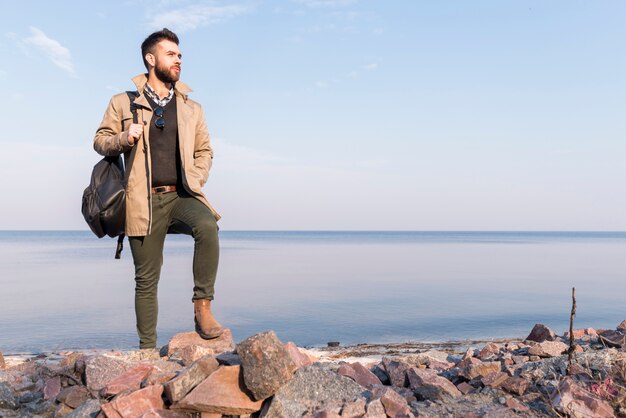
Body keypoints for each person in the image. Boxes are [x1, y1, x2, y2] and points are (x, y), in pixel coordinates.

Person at [93, 28, 224, 349]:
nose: (178, 60)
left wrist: (196, 177)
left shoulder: (193, 108)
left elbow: (205, 150)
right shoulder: (123, 102)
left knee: (207, 226)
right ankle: (148, 350)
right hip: (142, 202)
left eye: (180, 55)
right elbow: (99, 141)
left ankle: (202, 307)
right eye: (171, 54)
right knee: (146, 280)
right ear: (151, 59)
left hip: (181, 196)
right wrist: (125, 138)